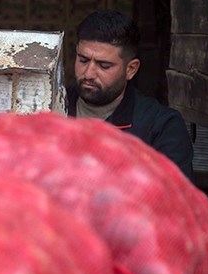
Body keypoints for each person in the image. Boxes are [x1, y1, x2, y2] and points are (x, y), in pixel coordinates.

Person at [66, 9, 194, 181]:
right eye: (83, 60)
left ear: (131, 69)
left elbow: (174, 201)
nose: (88, 73)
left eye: (104, 66)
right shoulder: (49, 106)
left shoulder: (161, 126)